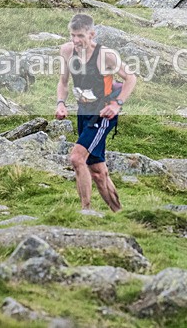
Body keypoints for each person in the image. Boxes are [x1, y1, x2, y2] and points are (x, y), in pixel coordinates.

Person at [55, 14, 137, 215]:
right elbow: (63, 82)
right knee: (98, 172)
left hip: (102, 114)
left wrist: (117, 105)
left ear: (92, 34)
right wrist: (61, 104)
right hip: (83, 111)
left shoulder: (105, 55)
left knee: (76, 158)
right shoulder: (66, 51)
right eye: (73, 35)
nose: (76, 40)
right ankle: (119, 213)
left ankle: (86, 211)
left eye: (81, 36)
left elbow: (131, 78)